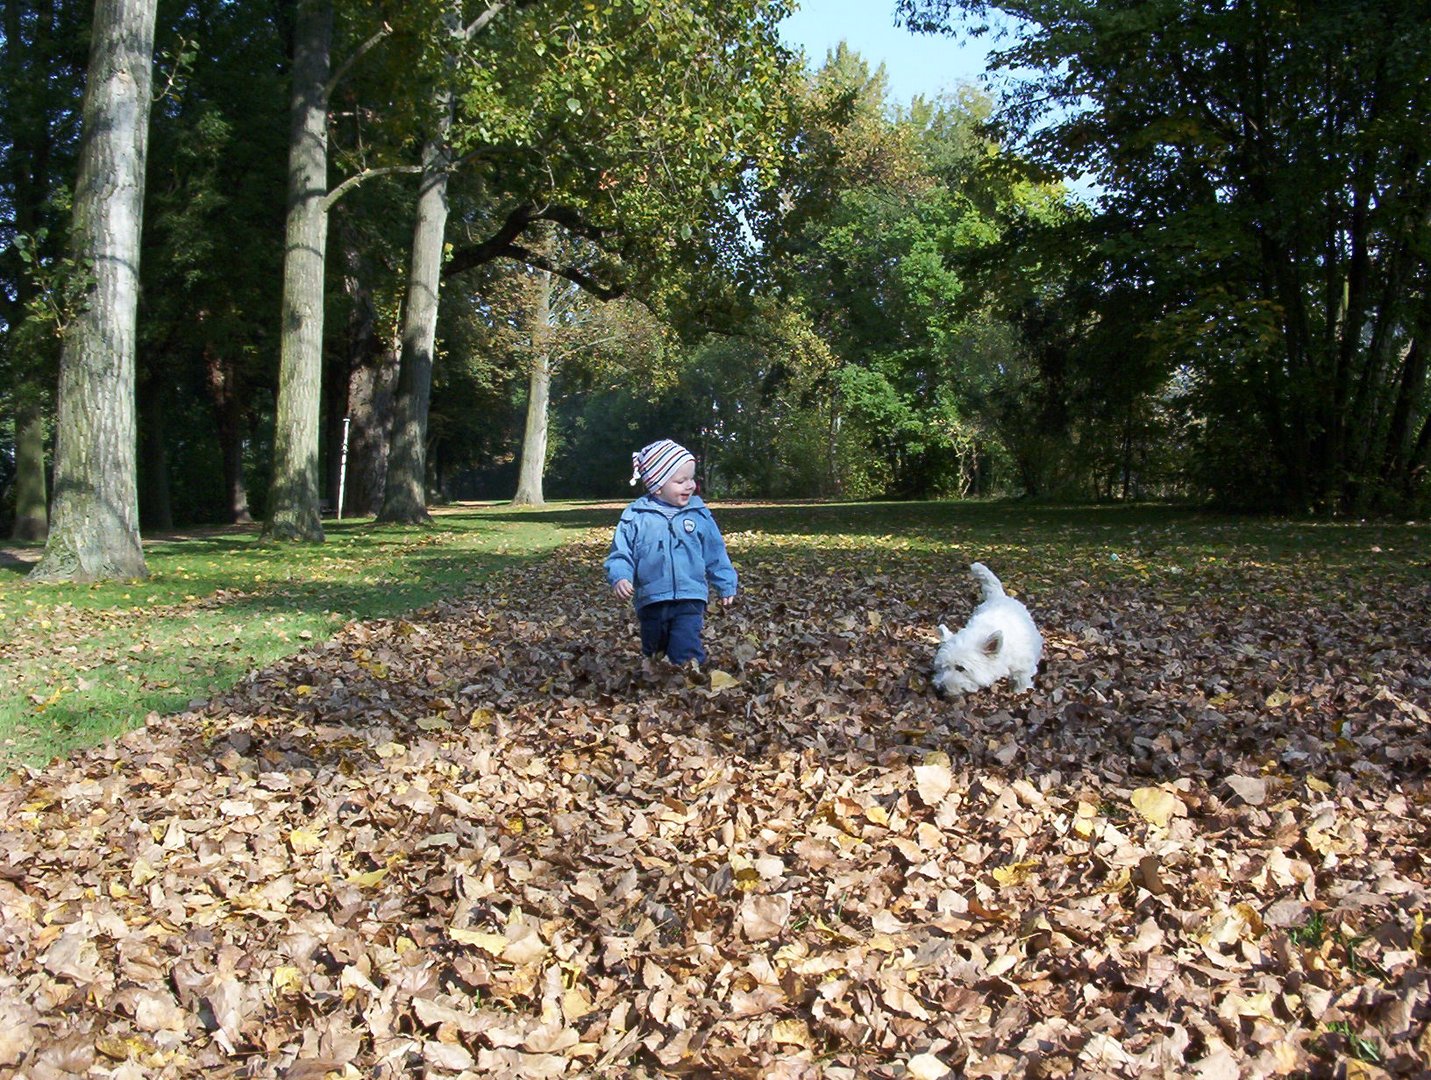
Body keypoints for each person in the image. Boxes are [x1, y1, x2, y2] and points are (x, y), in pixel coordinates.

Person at [605, 439, 737, 666]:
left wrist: (725, 582)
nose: (690, 486)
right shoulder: (635, 517)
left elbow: (715, 552)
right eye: (680, 481)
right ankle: (655, 680)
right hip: (652, 597)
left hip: (690, 595)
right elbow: (621, 552)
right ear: (657, 485)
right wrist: (620, 577)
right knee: (654, 649)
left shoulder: (698, 514)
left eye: (691, 479)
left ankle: (688, 683)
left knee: (685, 647)